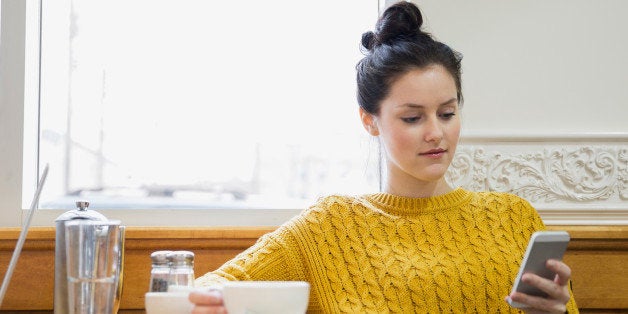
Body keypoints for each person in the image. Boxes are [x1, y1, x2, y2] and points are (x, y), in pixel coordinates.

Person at [190, 2, 579, 313]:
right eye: (412, 117)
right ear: (369, 121)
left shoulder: (514, 218)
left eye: (447, 113)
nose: (435, 132)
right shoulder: (329, 228)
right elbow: (204, 292)